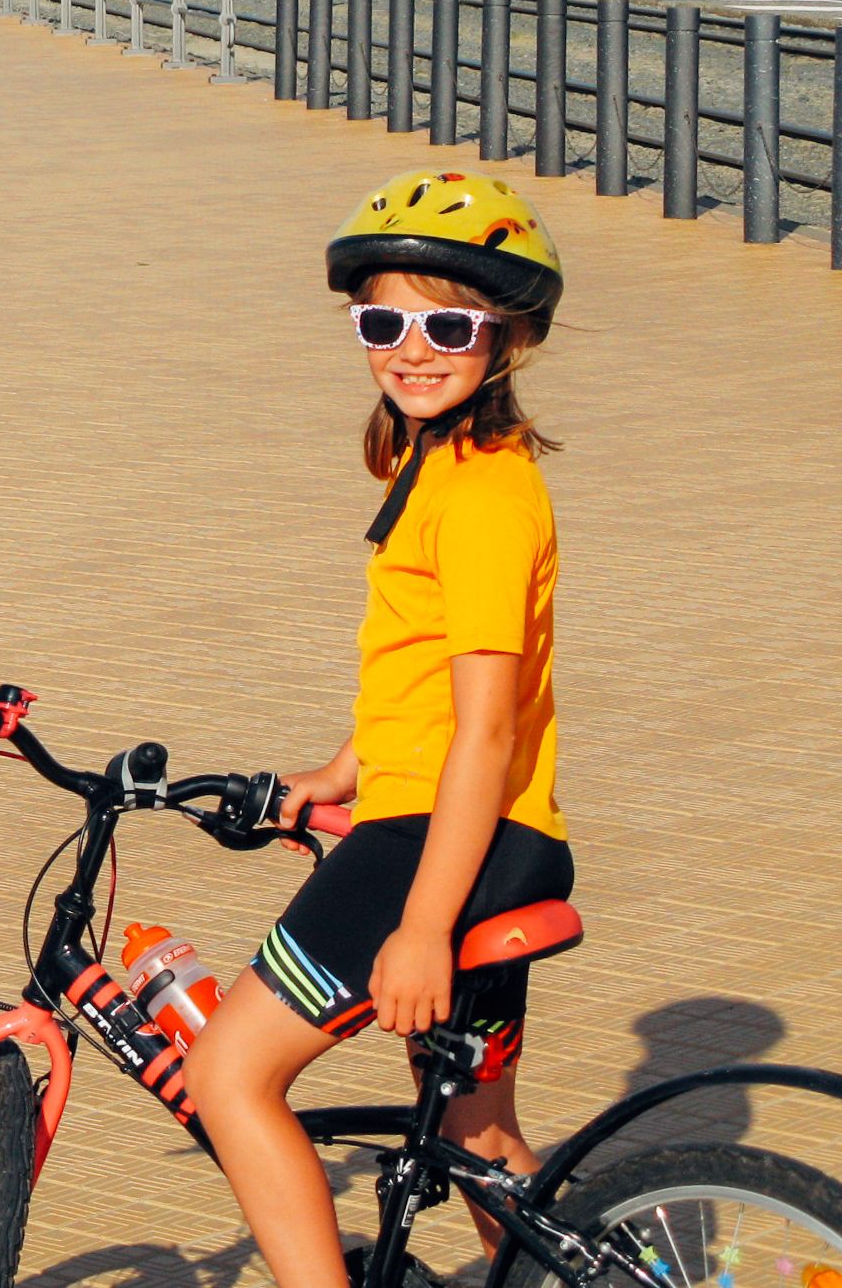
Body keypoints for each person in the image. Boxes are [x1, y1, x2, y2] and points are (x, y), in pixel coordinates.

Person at [183, 170, 573, 1288]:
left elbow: (489, 730)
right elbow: (426, 670)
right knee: (473, 1132)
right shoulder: (434, 459)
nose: (412, 347)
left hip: (444, 843)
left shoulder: (489, 495)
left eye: (448, 323)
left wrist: (420, 923)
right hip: (488, 833)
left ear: (508, 336)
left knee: (230, 1074)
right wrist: (346, 765)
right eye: (383, 320)